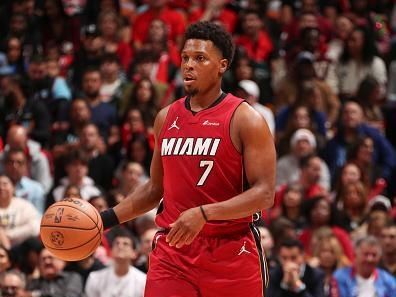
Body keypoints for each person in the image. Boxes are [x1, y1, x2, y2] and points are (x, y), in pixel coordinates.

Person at [100, 21, 276, 296]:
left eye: (200, 58)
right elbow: (155, 189)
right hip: (174, 253)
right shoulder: (165, 117)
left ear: (222, 66)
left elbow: (264, 194)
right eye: (184, 58)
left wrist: (206, 214)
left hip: (231, 252)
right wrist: (106, 219)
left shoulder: (246, 119)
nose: (188, 65)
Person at [85, 229, 146, 297]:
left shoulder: (143, 281)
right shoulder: (95, 278)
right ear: (111, 251)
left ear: (134, 253)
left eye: (125, 244)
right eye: (117, 243)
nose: (120, 246)